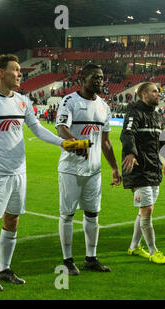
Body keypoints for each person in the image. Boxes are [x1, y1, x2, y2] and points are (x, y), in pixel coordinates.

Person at [0, 54, 85, 291]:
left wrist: (64, 143)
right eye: (16, 69)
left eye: (21, 70)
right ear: (1, 72)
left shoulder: (22, 101)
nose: (20, 74)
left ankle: (5, 269)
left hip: (19, 171)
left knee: (12, 219)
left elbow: (38, 130)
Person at [56, 63, 122, 275]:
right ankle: (67, 260)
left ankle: (90, 258)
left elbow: (106, 141)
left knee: (93, 214)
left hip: (93, 170)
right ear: (82, 78)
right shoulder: (70, 101)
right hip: (71, 168)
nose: (100, 81)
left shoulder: (104, 106)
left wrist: (114, 167)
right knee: (67, 214)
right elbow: (61, 128)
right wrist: (77, 144)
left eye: (102, 77)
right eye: (95, 77)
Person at [121, 81, 165, 264]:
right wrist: (131, 152)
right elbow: (127, 134)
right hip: (138, 169)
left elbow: (162, 141)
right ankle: (153, 251)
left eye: (158, 91)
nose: (158, 94)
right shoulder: (134, 113)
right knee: (147, 210)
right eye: (154, 91)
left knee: (145, 212)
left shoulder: (157, 116)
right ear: (144, 94)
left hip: (153, 169)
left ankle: (134, 247)